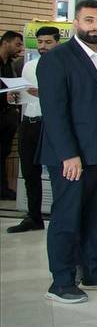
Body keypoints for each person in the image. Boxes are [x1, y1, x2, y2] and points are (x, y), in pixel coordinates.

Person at [37, 0, 97, 303]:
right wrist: (68, 154)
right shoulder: (57, 59)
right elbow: (54, 113)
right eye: (89, 20)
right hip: (74, 155)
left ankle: (94, 271)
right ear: (75, 22)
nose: (96, 27)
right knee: (67, 218)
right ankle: (62, 282)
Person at [7, 26, 59, 234]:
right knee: (29, 171)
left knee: (56, 173)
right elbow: (22, 95)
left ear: (57, 43)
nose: (43, 46)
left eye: (48, 42)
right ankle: (33, 216)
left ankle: (58, 216)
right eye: (40, 42)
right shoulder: (29, 66)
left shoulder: (63, 66)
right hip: (29, 121)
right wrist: (13, 96)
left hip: (50, 124)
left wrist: (44, 93)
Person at [0, 29, 24, 202]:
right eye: (17, 44)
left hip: (7, 116)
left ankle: (3, 189)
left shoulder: (10, 65)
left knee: (3, 154)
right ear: (5, 43)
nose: (20, 49)